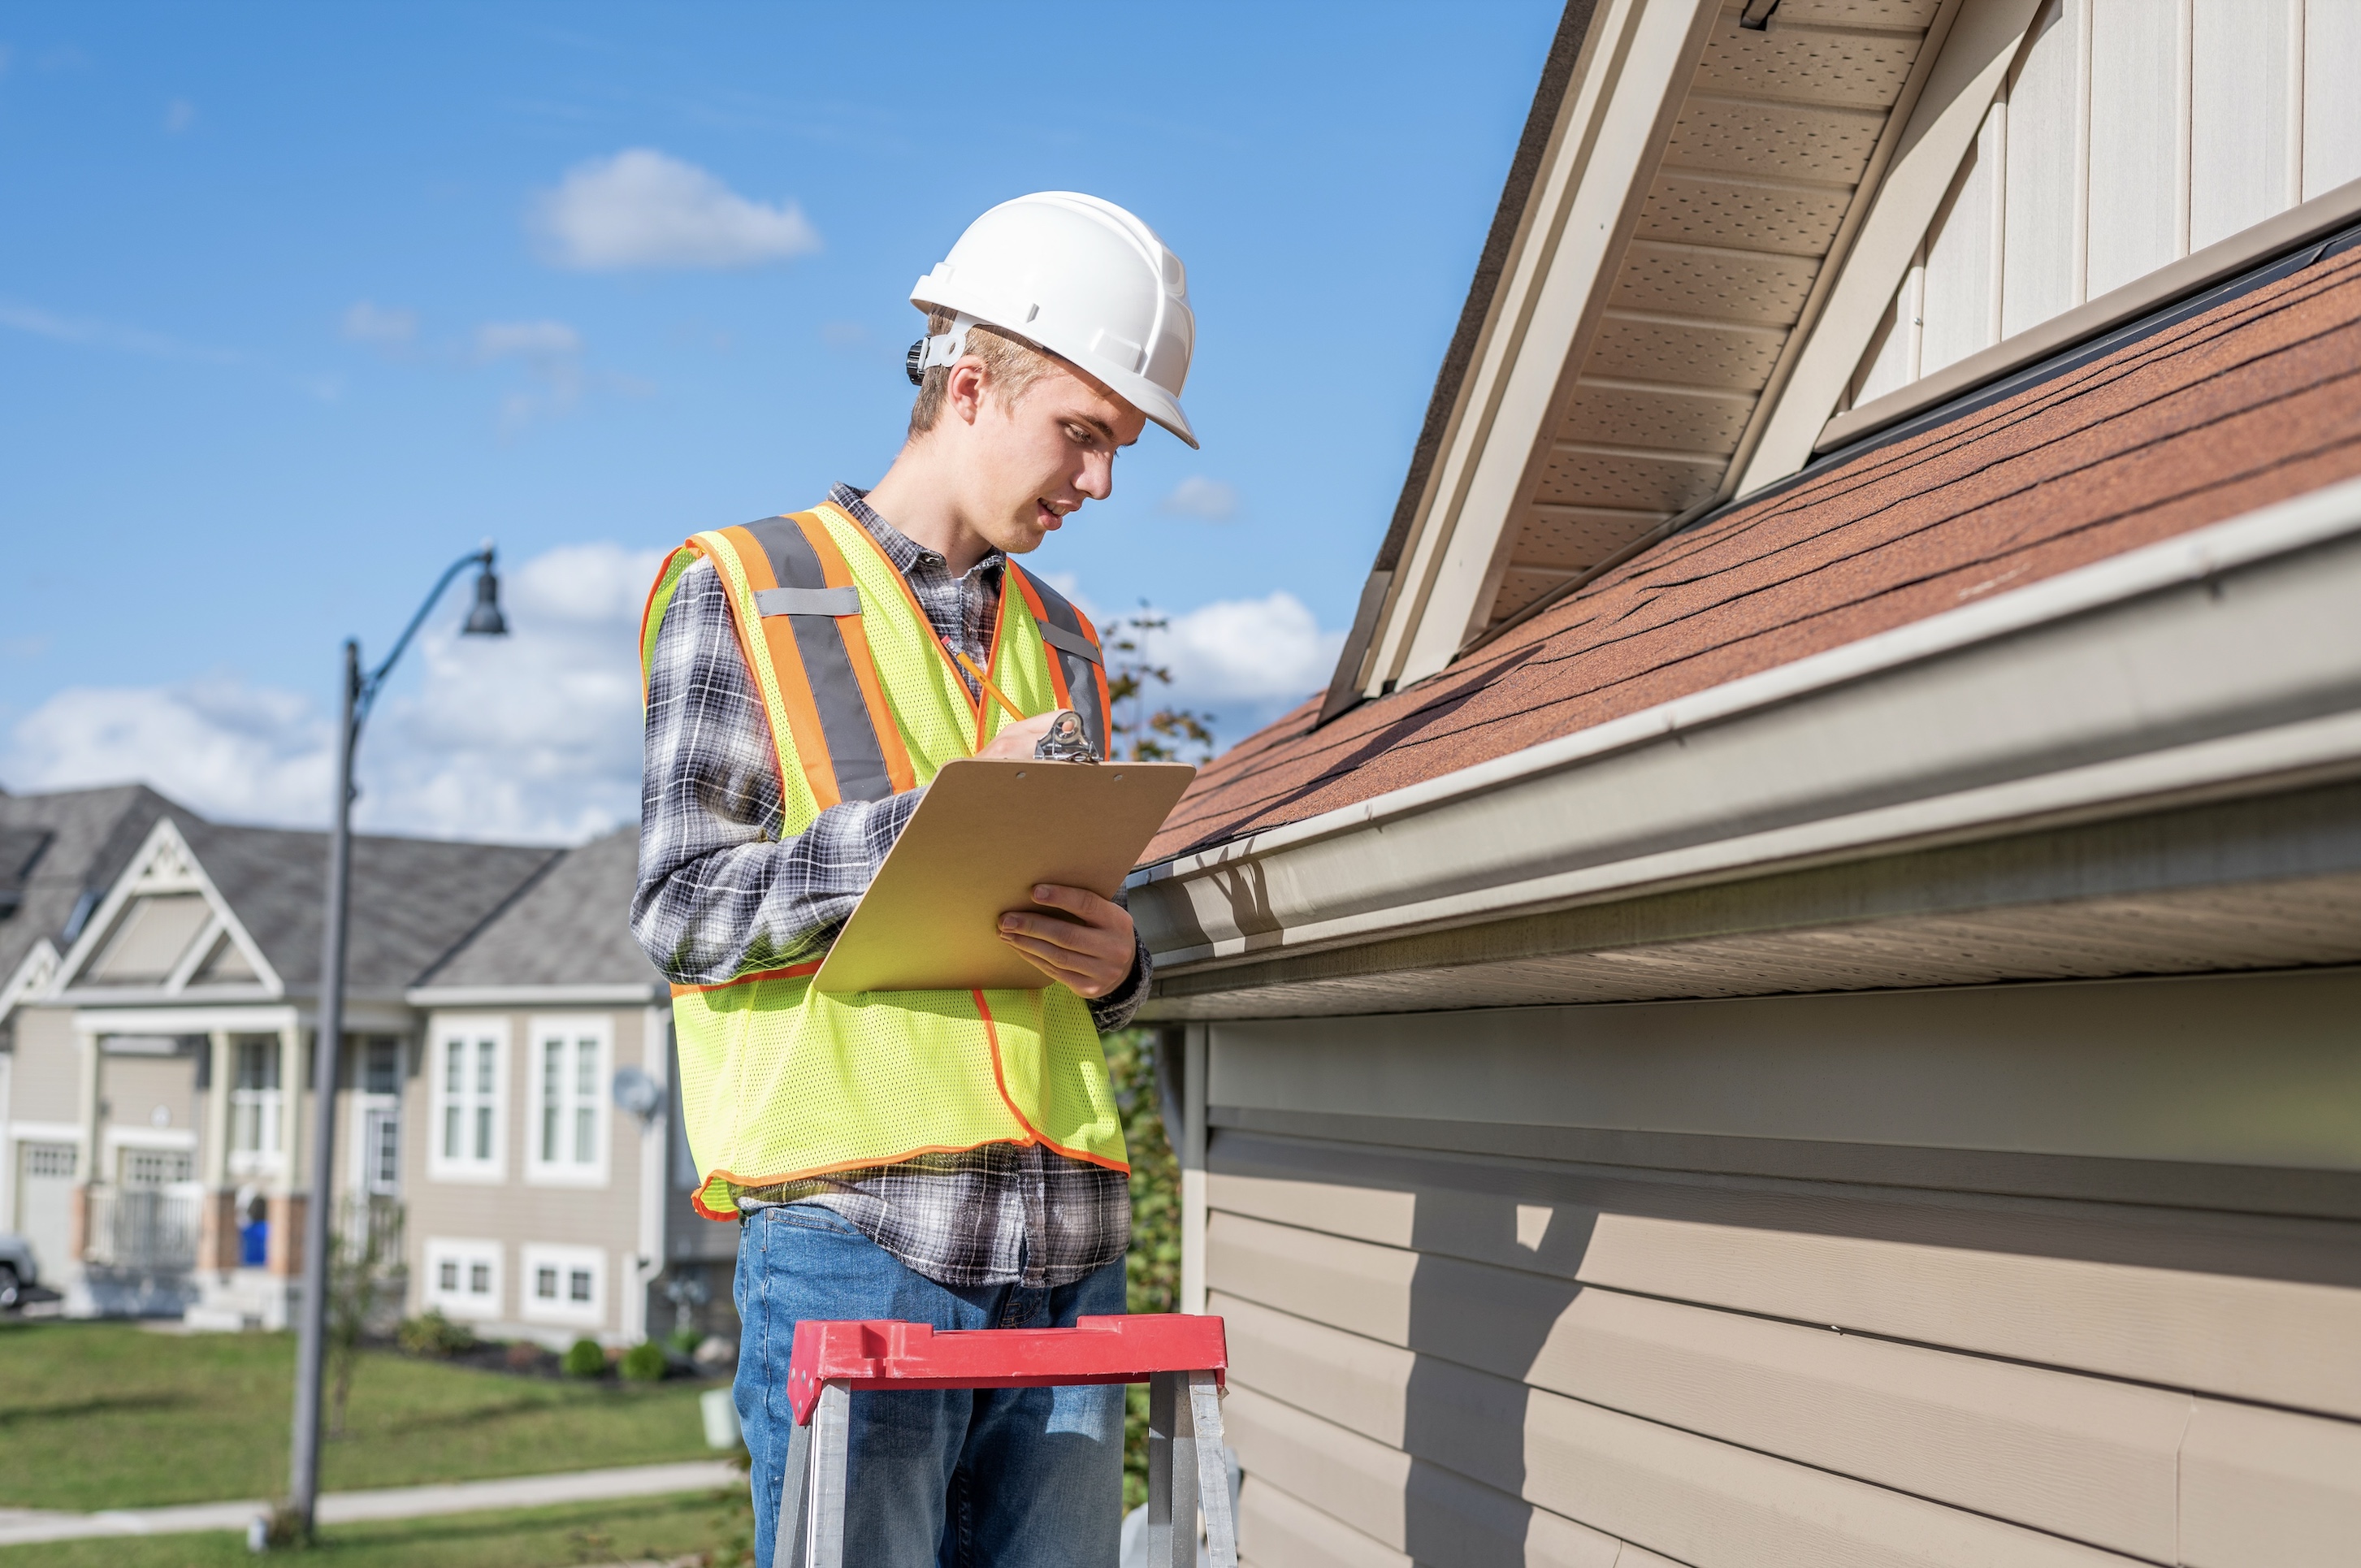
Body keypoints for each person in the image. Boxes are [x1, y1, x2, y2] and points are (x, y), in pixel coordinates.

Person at [631, 192, 1198, 1567]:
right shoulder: (744, 587)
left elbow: (1054, 962)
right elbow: (684, 909)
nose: (1099, 482)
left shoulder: (1064, 645)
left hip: (1067, 1239)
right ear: (966, 385)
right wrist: (917, 825)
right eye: (1082, 434)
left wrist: (1119, 966)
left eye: (1117, 449)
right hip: (861, 1231)